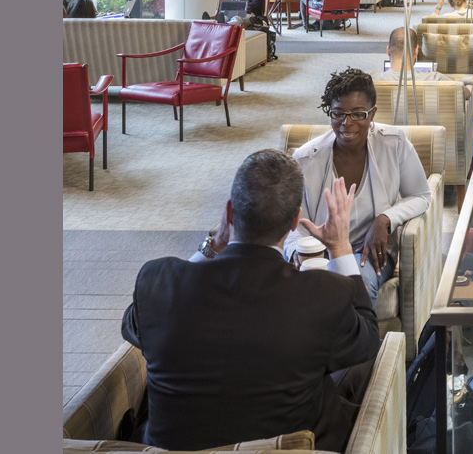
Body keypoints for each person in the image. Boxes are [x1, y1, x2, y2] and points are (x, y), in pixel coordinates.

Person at [122, 150, 379, 451]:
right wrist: (340, 245)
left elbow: (135, 326)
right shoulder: (323, 294)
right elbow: (368, 338)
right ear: (295, 220)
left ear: (230, 213)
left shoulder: (158, 283)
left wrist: (212, 245)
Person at [287, 69, 432, 300]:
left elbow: (421, 195)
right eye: (338, 113)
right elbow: (293, 222)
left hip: (367, 252)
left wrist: (384, 220)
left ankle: (360, 337)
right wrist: (296, 251)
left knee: (356, 284)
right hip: (319, 251)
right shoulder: (305, 158)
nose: (347, 123)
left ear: (372, 114)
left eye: (358, 114)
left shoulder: (394, 144)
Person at [371, 27, 472, 101]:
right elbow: (466, 93)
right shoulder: (435, 78)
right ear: (416, 51)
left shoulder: (370, 80)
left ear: (388, 50)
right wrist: (450, 80)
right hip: (427, 130)